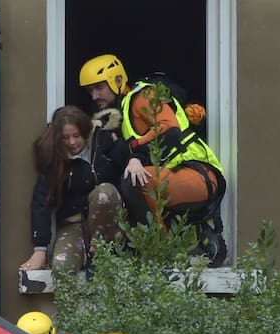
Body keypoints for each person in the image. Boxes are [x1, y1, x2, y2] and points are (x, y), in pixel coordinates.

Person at [78, 54, 228, 267]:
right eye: (90, 91)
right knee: (128, 188)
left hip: (197, 173)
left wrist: (131, 150)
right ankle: (173, 246)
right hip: (175, 176)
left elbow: (170, 131)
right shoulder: (118, 114)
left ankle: (162, 253)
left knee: (135, 182)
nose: (94, 96)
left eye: (99, 87)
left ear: (118, 80)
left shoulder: (143, 96)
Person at [20, 105, 124, 276]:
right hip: (74, 224)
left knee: (104, 193)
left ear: (85, 131)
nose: (72, 142)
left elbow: (126, 156)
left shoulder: (103, 141)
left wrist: (135, 160)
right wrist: (40, 249)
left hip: (108, 229)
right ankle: (71, 299)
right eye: (65, 138)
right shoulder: (55, 159)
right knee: (61, 269)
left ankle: (100, 254)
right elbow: (41, 203)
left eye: (76, 136)